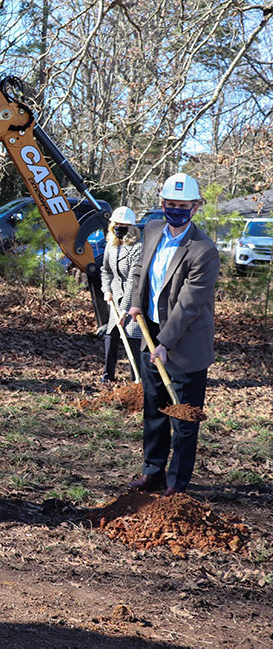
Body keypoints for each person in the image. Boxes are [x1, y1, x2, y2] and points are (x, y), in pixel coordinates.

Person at [127, 173, 219, 496]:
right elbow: (140, 270)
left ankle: (176, 483)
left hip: (185, 343)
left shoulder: (203, 250)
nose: (176, 210)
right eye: (171, 204)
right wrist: (134, 304)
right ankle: (152, 471)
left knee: (183, 416)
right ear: (162, 204)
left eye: (184, 205)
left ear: (195, 207)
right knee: (153, 408)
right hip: (150, 332)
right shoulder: (152, 230)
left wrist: (165, 342)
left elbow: (189, 305)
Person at [99, 206, 143, 385]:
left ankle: (137, 379)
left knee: (132, 337)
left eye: (123, 224)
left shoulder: (137, 248)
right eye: (116, 223)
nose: (118, 227)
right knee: (111, 336)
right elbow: (105, 270)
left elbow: (133, 281)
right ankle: (107, 376)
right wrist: (106, 290)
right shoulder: (111, 244)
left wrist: (125, 309)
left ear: (131, 227)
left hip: (133, 299)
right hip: (114, 295)